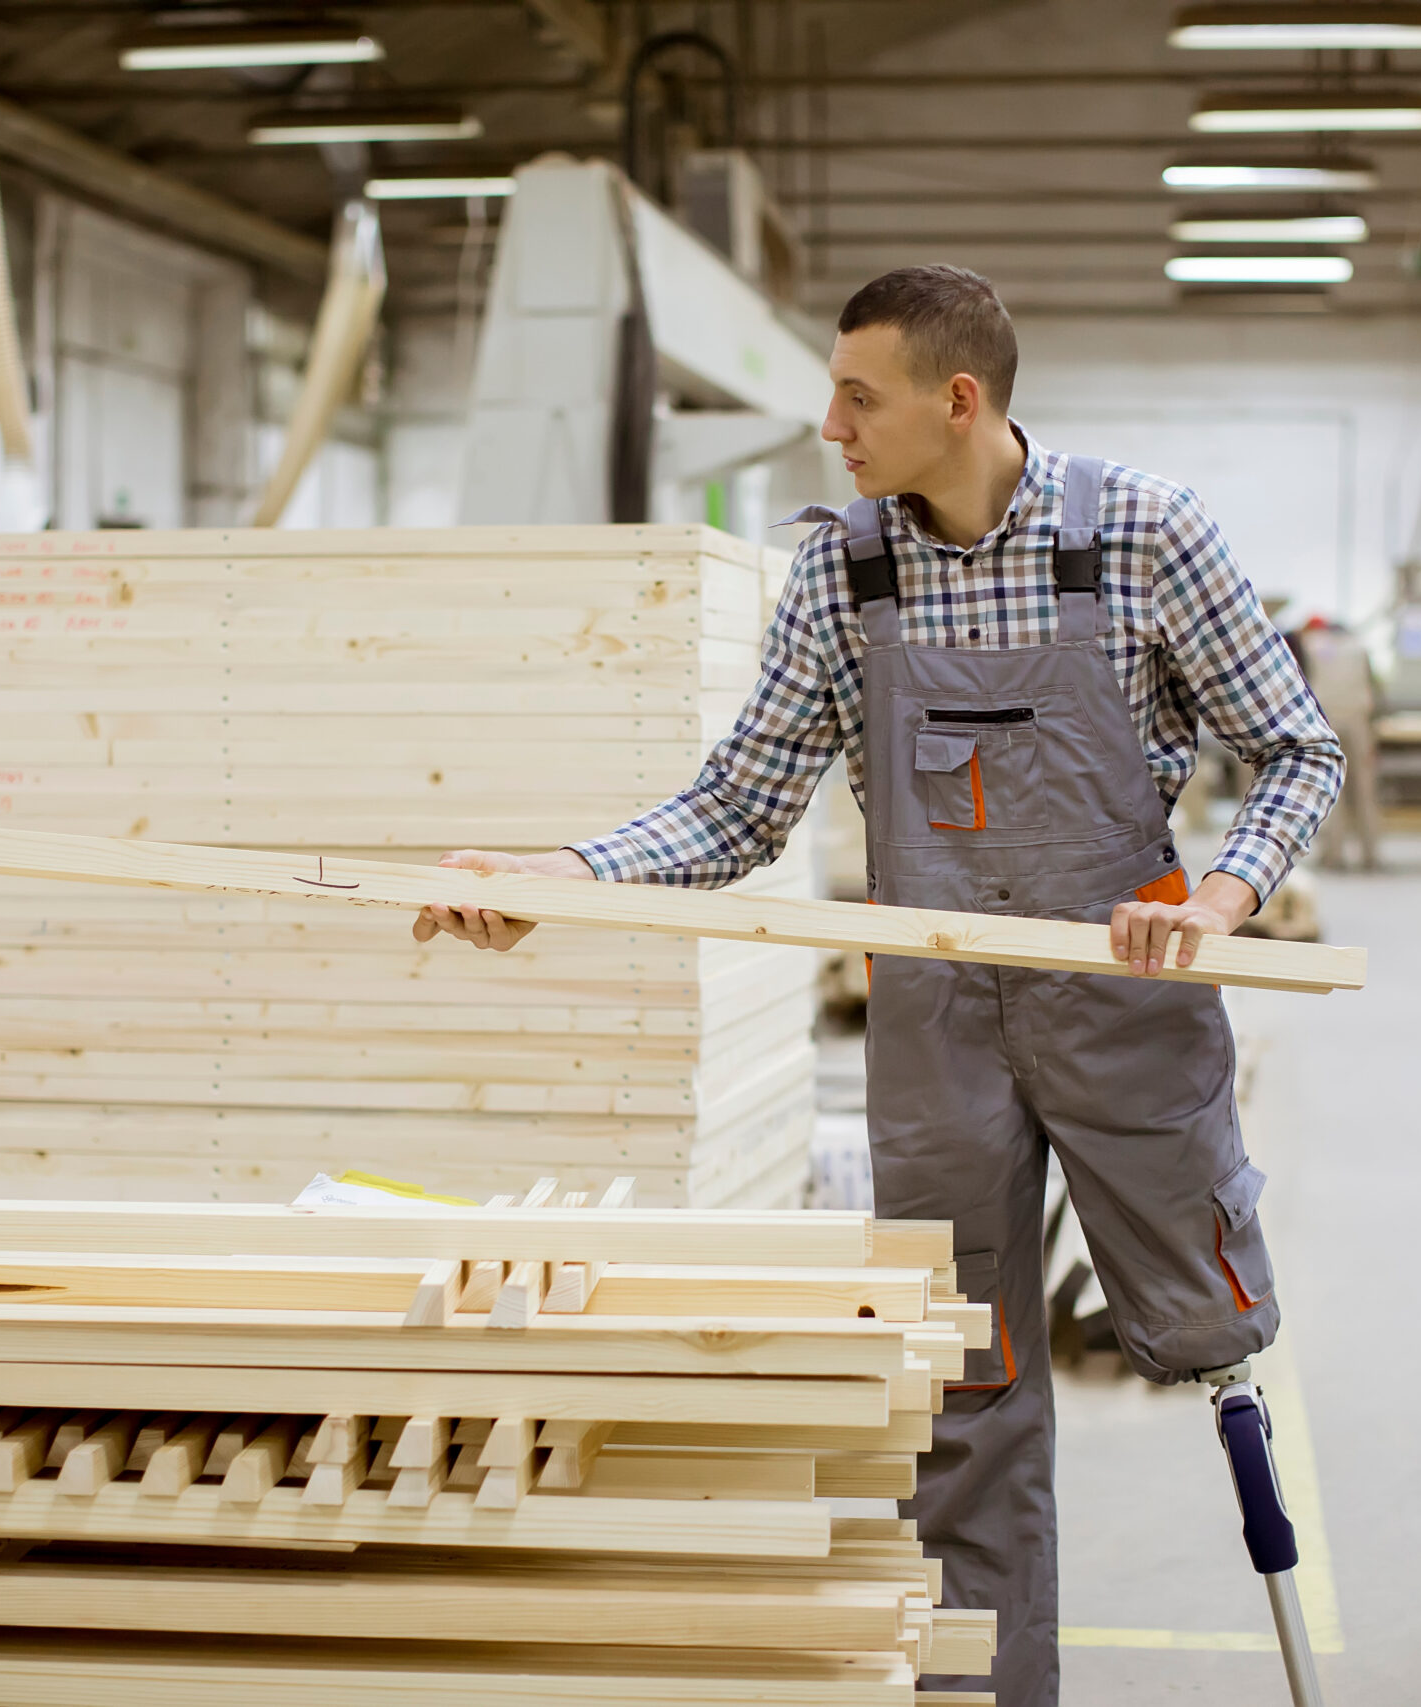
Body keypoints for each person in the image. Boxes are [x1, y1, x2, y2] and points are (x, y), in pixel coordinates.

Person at [413, 265, 1342, 1707]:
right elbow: (737, 809)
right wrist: (561, 872)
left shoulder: (1147, 533)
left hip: (1124, 1002)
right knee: (962, 1394)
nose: (829, 425)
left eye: (858, 395)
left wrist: (1223, 895)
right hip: (938, 1026)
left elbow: (1297, 746)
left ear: (954, 399)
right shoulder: (844, 573)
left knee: (1214, 1342)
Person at [1294, 614, 1383, 870]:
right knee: (1365, 789)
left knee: (1329, 789)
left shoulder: (1312, 646)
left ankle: (1333, 855)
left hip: (1325, 721)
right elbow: (1375, 687)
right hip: (1358, 719)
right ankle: (1371, 853)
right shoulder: (1359, 648)